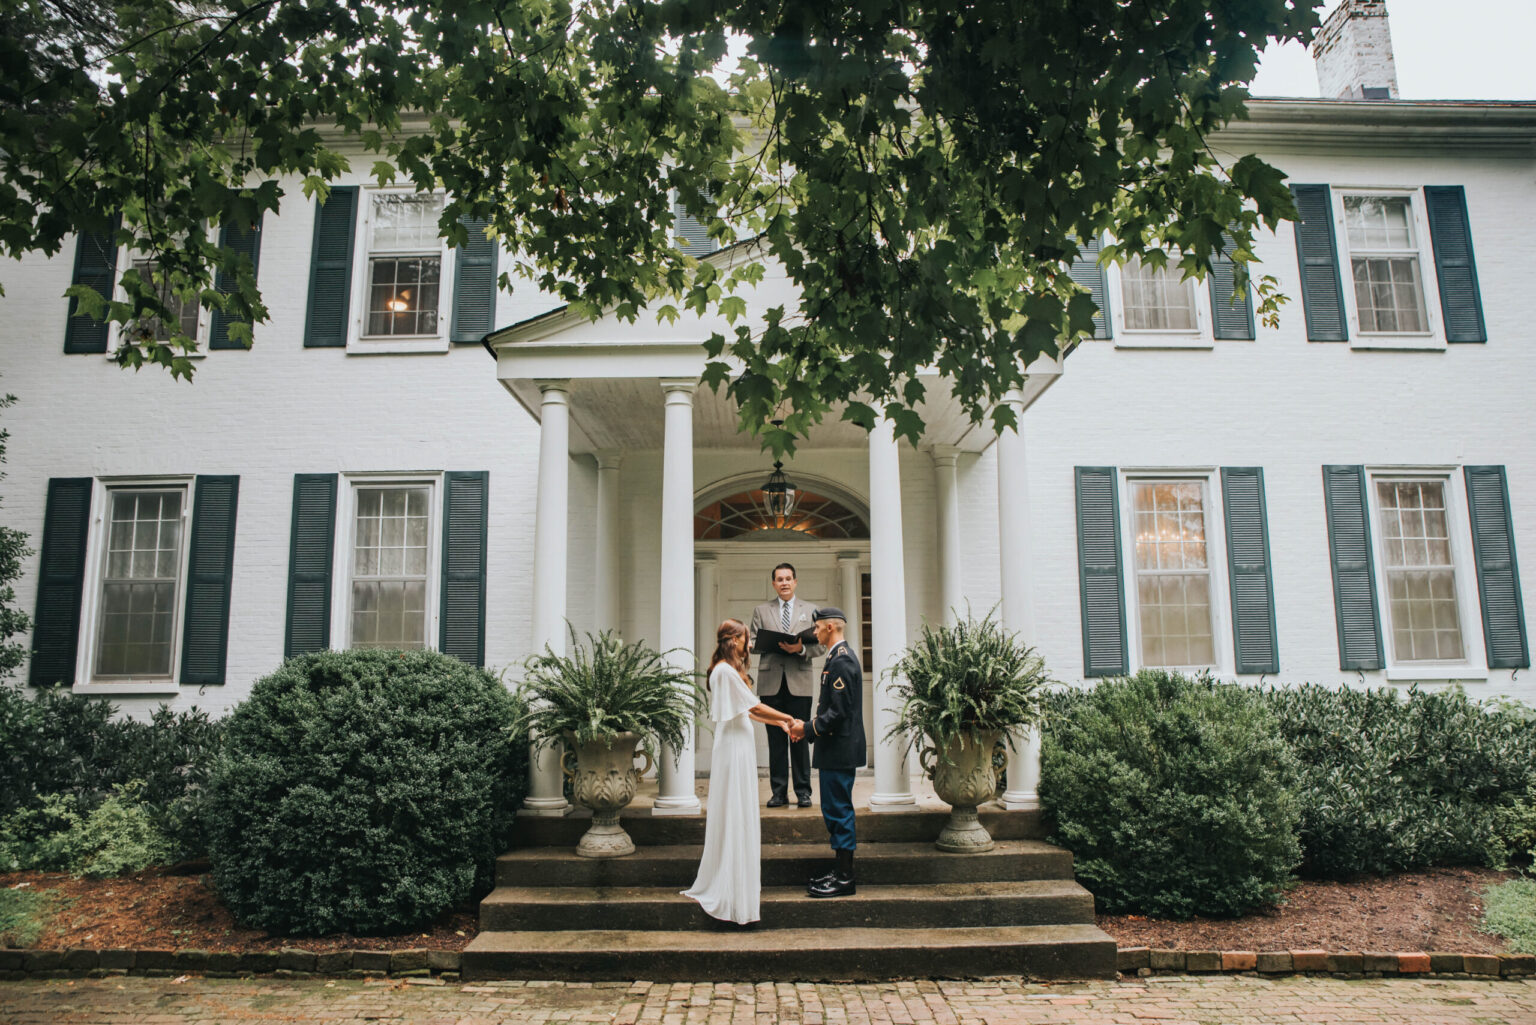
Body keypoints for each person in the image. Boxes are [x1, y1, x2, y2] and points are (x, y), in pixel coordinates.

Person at [682, 618, 798, 925]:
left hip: (737, 742)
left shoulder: (729, 671)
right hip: (734, 748)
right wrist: (789, 717)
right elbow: (755, 708)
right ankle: (730, 891)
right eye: (746, 639)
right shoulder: (724, 671)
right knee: (735, 811)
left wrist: (783, 724)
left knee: (740, 810)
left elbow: (751, 711)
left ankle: (737, 884)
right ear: (733, 641)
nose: (749, 645)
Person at [789, 606, 865, 898]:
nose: (815, 633)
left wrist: (806, 729)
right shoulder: (835, 658)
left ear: (830, 627)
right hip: (836, 748)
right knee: (834, 810)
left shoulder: (842, 661)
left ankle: (845, 878)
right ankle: (840, 870)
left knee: (839, 810)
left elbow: (837, 712)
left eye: (817, 628)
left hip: (839, 748)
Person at [748, 563, 825, 808]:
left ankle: (803, 791)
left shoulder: (811, 610)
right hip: (771, 682)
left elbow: (821, 644)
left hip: (799, 682)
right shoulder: (761, 610)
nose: (784, 583)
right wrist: (762, 644)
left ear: (795, 581)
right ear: (773, 583)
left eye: (788, 579)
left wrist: (800, 648)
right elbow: (751, 641)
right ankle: (778, 792)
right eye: (779, 579)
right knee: (776, 741)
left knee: (800, 737)